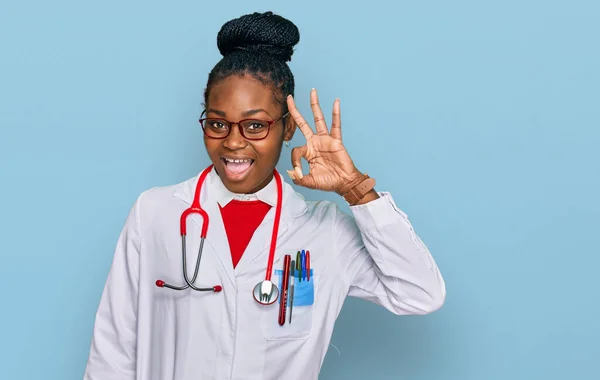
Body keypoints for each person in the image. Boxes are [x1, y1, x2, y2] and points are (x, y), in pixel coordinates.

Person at [83, 11, 446, 380]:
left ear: (287, 128)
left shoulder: (326, 232)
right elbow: (112, 350)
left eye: (255, 125)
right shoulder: (155, 213)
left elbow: (420, 294)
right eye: (217, 123)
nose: (234, 141)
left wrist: (356, 190)